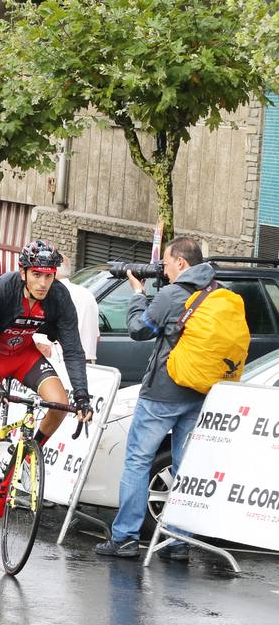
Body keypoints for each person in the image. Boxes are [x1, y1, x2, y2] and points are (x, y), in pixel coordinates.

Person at [0, 239, 93, 542]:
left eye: (50, 275)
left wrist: (82, 394)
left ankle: (26, 453)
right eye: (38, 275)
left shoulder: (58, 297)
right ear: (23, 272)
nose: (44, 283)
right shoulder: (0, 290)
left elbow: (72, 347)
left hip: (24, 355)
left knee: (59, 403)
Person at [96, 238, 223, 560]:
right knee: (185, 467)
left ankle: (125, 537)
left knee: (138, 462)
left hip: (163, 394)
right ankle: (178, 541)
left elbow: (140, 330)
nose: (163, 270)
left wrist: (138, 294)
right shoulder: (220, 294)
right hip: (200, 393)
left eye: (166, 264)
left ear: (181, 263)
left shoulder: (171, 295)